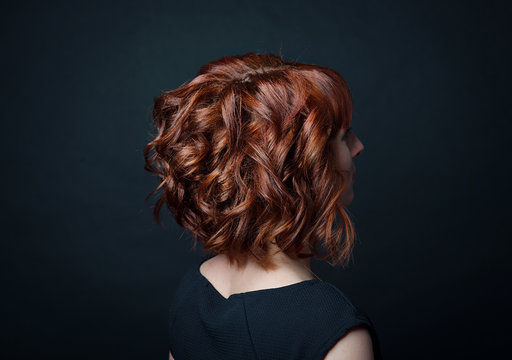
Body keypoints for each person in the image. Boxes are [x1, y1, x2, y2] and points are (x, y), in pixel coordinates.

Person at [144, 52, 383, 359]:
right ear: (301, 164)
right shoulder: (332, 333)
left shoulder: (195, 288)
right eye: (343, 136)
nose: (359, 147)